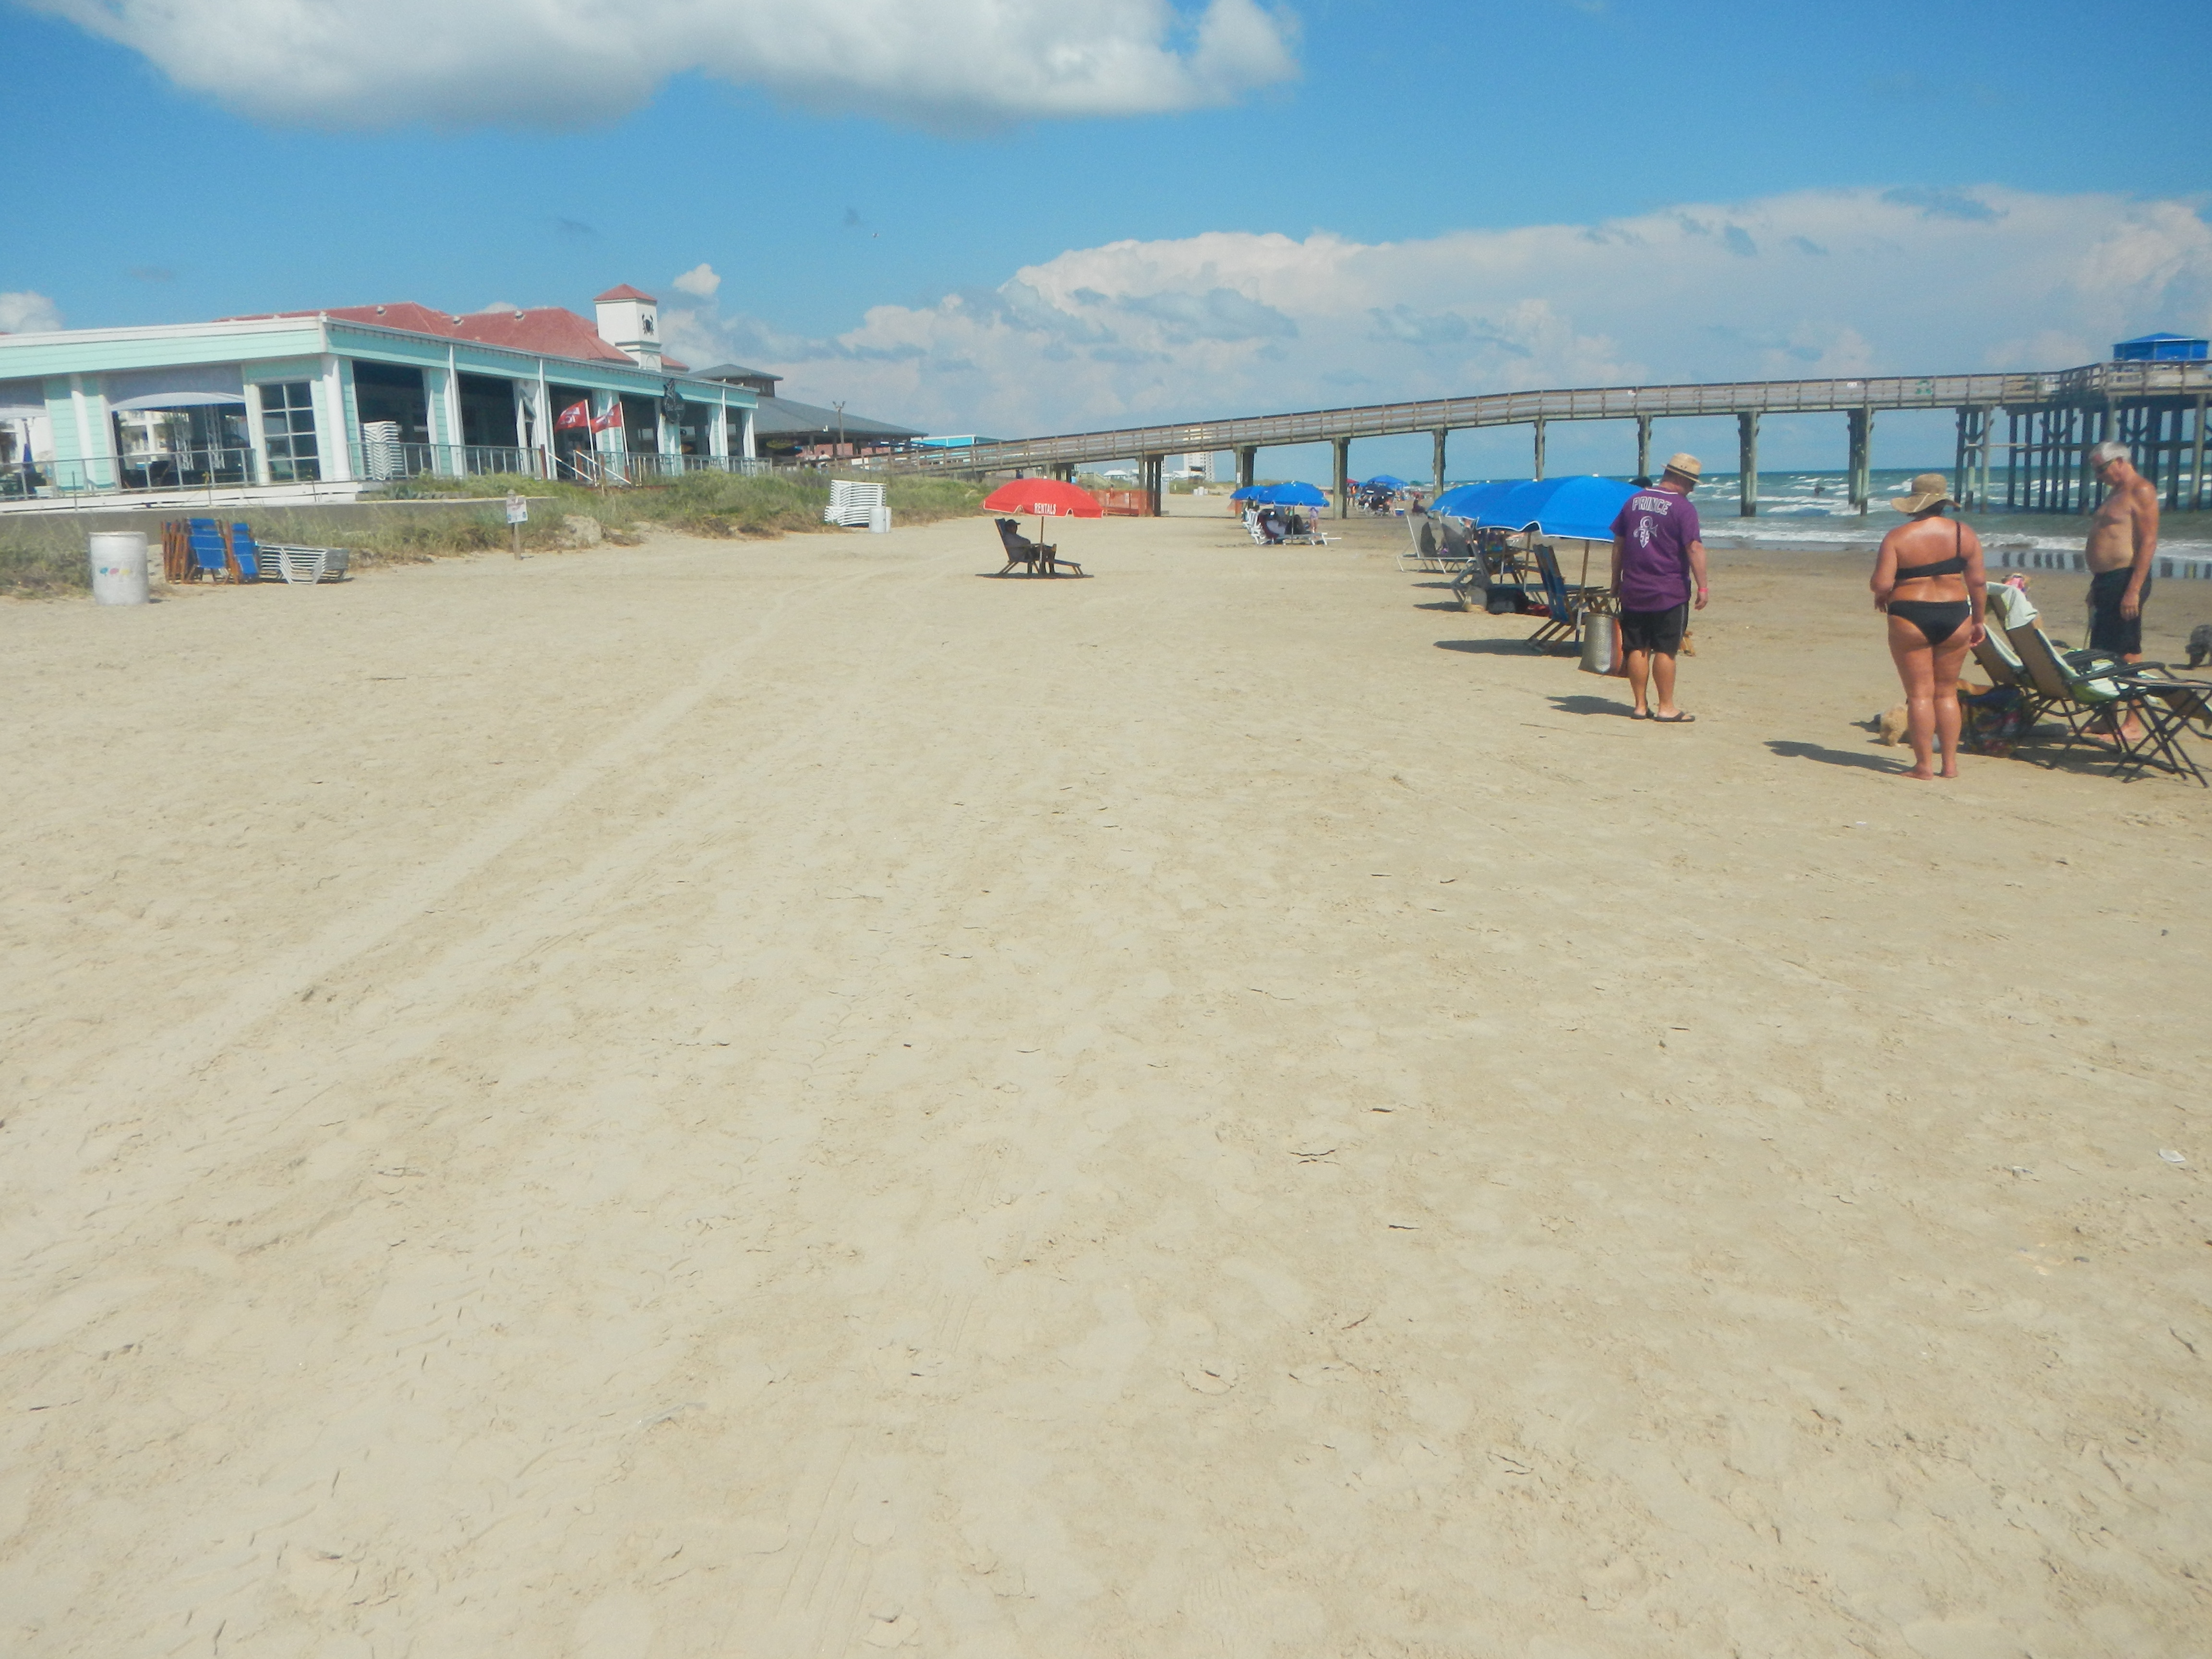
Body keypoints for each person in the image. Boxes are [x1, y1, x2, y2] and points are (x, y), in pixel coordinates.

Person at [1870, 473, 1986, 781]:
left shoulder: (1897, 537)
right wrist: (1979, 621)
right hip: (1956, 614)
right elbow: (1977, 583)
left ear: (1914, 502)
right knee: (1947, 694)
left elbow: (1881, 584)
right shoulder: (1965, 534)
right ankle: (1950, 766)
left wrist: (1884, 594)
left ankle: (1923, 767)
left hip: (1910, 614)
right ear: (1943, 502)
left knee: (1920, 695)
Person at [1609, 452, 1711, 722]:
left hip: (1633, 587)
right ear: (1681, 479)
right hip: (1669, 589)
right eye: (1692, 483)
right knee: (1666, 649)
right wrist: (1703, 586)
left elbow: (1619, 543)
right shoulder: (1683, 508)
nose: (1692, 489)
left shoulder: (1634, 501)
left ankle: (1640, 706)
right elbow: (1694, 547)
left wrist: (1615, 580)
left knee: (1637, 647)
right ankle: (1666, 707)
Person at [2084, 440, 2158, 664]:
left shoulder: (2141, 490)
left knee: (2126, 646)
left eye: (2101, 469)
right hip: (2106, 580)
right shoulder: (2116, 492)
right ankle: (2113, 696)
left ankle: (2136, 697)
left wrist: (2133, 590)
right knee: (2103, 644)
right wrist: (2096, 586)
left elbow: (2149, 541)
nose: (2098, 476)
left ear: (2119, 462)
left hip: (2125, 578)